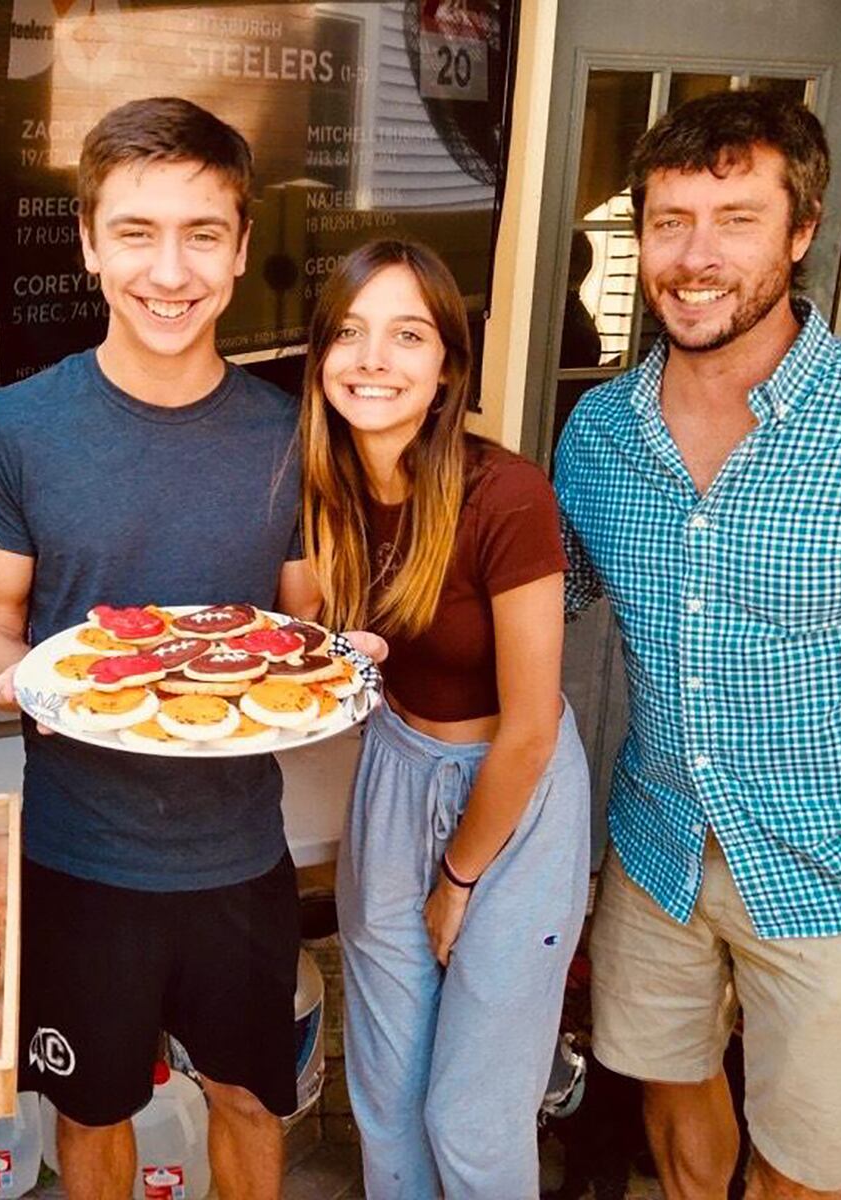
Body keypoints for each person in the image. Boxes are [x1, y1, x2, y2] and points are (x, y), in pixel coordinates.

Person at [555, 89, 841, 1200]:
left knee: (801, 1165)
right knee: (668, 1091)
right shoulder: (600, 431)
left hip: (838, 876)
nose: (694, 255)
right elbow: (541, 597)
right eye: (667, 221)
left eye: (736, 218)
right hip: (657, 852)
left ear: (801, 232)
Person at [0, 97, 317, 1199]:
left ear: (243, 246)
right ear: (87, 242)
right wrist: (18, 682)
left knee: (253, 1098)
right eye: (136, 232)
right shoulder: (12, 431)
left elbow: (300, 634)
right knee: (93, 1106)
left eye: (202, 233)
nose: (171, 270)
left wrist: (342, 650)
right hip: (79, 857)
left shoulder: (290, 433)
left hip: (241, 855)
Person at [299, 239, 589, 1199]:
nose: (373, 359)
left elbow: (533, 725)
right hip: (394, 769)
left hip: (514, 796)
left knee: (469, 1115)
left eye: (407, 335)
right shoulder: (324, 487)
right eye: (350, 332)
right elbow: (312, 635)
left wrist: (459, 874)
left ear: (445, 369)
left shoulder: (506, 495)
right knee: (385, 1091)